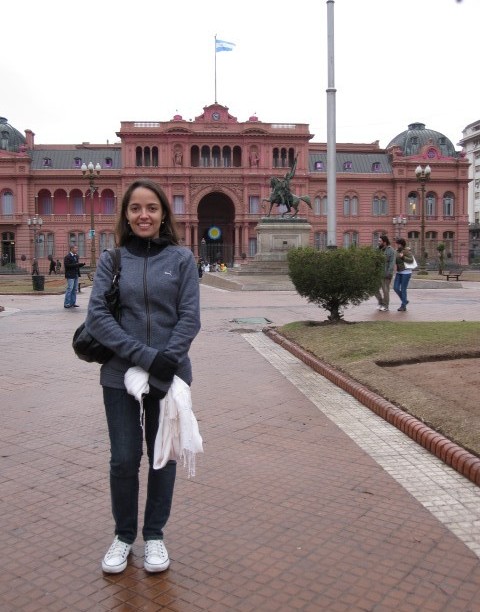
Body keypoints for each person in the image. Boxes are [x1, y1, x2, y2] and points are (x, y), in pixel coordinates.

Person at [84, 179, 201, 574]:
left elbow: (190, 317)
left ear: (164, 213)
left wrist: (166, 360)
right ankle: (122, 536)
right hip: (120, 374)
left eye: (151, 208)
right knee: (123, 458)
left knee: (161, 458)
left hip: (169, 375)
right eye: (135, 208)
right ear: (126, 215)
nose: (143, 215)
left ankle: (154, 537)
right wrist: (147, 356)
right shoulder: (112, 260)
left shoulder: (182, 259)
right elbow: (97, 317)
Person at [374, 235, 395, 311]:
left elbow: (392, 263)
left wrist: (389, 273)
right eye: (378, 241)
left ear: (385, 242)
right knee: (374, 289)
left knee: (385, 290)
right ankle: (380, 302)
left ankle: (386, 306)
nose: (378, 242)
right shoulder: (377, 249)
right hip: (378, 273)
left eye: (380, 241)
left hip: (386, 273)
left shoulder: (391, 250)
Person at [393, 238, 415, 312]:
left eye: (398, 244)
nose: (397, 245)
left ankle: (403, 305)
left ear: (401, 244)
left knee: (403, 289)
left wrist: (403, 257)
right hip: (399, 272)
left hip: (406, 272)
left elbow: (411, 260)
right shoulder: (396, 251)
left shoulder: (406, 251)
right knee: (395, 287)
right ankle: (405, 300)